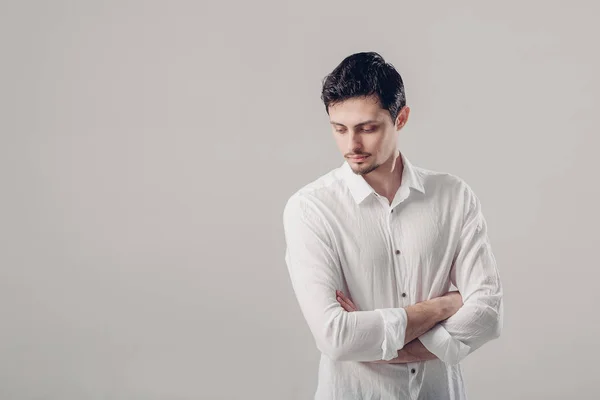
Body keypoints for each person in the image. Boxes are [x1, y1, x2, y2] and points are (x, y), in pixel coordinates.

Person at [282, 51, 504, 400]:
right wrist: (442, 308)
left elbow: (487, 313)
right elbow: (336, 337)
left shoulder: (453, 196)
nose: (351, 145)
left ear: (401, 118)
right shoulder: (310, 209)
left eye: (367, 128)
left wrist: (381, 343)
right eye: (339, 129)